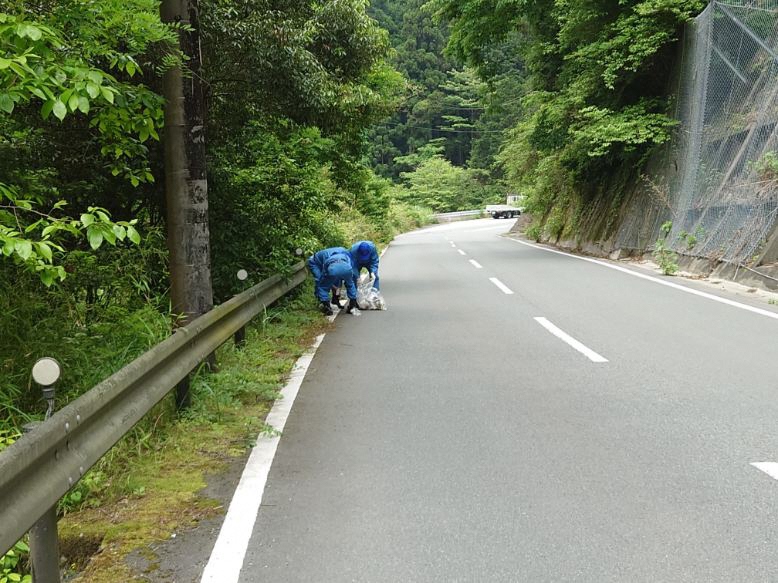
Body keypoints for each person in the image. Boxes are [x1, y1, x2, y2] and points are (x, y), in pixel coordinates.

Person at [307, 247, 358, 316]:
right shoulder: (345, 255)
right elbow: (351, 268)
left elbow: (325, 274)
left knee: (323, 286)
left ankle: (326, 305)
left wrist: (332, 286)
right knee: (350, 284)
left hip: (332, 268)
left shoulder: (330, 258)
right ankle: (352, 304)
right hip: (315, 263)